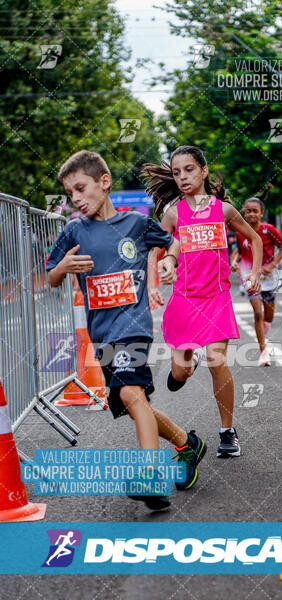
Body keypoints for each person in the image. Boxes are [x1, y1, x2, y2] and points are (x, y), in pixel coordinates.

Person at [46, 150, 206, 511]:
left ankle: (151, 476)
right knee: (136, 405)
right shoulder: (73, 231)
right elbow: (50, 275)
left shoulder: (135, 223)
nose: (76, 199)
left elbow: (172, 242)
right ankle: (186, 444)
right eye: (70, 193)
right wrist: (63, 268)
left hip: (133, 327)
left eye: (81, 188)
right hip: (101, 334)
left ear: (104, 183)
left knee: (133, 394)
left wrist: (168, 260)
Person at [143, 145, 262, 458]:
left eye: (189, 170)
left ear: (204, 171)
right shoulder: (173, 214)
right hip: (184, 300)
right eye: (177, 172)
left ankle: (227, 432)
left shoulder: (223, 210)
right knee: (180, 373)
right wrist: (154, 284)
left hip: (217, 297)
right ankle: (188, 362)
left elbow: (255, 239)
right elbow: (155, 250)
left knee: (217, 359)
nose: (182, 177)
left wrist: (256, 274)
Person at [231, 195, 282, 366]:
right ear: (244, 213)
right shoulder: (241, 232)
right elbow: (239, 252)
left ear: (261, 213)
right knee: (257, 312)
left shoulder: (268, 230)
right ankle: (263, 351)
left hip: (268, 277)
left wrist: (273, 264)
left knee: (268, 316)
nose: (251, 214)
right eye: (248, 211)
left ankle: (264, 326)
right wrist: (234, 261)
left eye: (255, 211)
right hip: (249, 276)